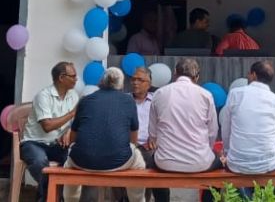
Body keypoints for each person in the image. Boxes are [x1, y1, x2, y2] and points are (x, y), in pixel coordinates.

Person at [65, 67, 147, 202]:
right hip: (120, 161)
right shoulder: (129, 101)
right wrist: (127, 150)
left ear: (101, 82)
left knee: (68, 164)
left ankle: (70, 200)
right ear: (121, 85)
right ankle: (137, 200)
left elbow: (74, 134)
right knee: (139, 163)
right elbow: (133, 136)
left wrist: (74, 148)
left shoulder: (85, 100)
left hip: (82, 161)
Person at [150, 58, 220, 202]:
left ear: (175, 73)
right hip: (200, 162)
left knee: (151, 163)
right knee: (220, 167)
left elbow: (152, 133)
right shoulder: (206, 95)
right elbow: (213, 132)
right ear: (197, 77)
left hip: (165, 162)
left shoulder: (160, 93)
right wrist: (206, 150)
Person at [221, 61, 275, 202]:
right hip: (270, 163)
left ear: (253, 75)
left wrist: (228, 152)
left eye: (248, 74)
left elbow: (226, 129)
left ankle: (245, 199)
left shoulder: (235, 94)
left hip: (237, 162)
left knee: (240, 169)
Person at [21, 61, 80, 202]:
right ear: (61, 78)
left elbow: (76, 122)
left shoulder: (73, 95)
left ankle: (59, 196)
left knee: (75, 158)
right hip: (34, 143)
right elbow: (47, 126)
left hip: (56, 144)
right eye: (73, 76)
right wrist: (72, 113)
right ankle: (49, 197)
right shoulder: (43, 96)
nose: (76, 79)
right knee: (40, 162)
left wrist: (68, 131)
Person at [130, 67, 169, 202]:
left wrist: (156, 138)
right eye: (133, 79)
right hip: (129, 146)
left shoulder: (157, 100)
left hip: (150, 146)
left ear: (149, 83)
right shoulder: (124, 100)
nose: (135, 83)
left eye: (140, 80)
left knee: (158, 166)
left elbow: (166, 124)